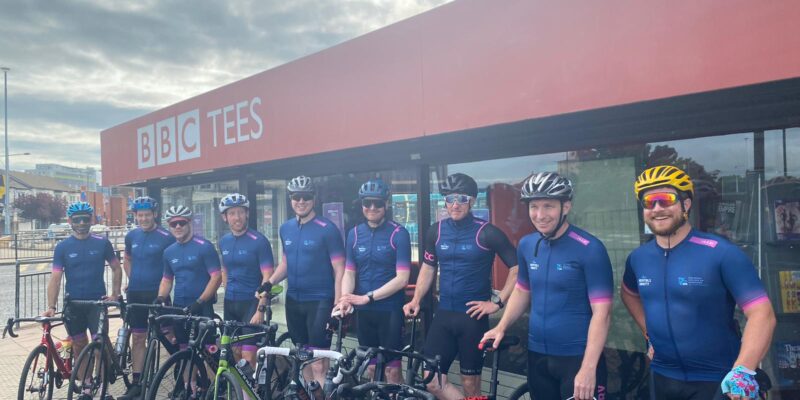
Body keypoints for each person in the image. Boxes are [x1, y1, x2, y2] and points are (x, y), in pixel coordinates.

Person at [621, 165, 776, 399]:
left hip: (719, 380)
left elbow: (762, 314)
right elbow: (628, 294)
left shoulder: (721, 253)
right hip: (662, 377)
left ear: (686, 204)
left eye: (666, 199)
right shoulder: (638, 259)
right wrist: (649, 333)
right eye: (649, 202)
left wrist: (743, 371)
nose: (657, 208)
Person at [481, 172, 613, 400]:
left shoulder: (590, 248)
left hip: (577, 358)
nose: (540, 215)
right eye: (534, 207)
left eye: (548, 206)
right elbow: (523, 290)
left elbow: (602, 314)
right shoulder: (526, 244)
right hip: (538, 356)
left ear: (566, 206)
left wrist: (588, 368)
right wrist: (501, 327)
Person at [403, 173, 518, 399]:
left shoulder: (487, 232)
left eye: (462, 199)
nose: (455, 204)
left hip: (472, 319)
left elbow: (517, 268)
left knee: (470, 384)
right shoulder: (435, 231)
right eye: (450, 198)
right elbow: (428, 267)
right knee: (432, 380)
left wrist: (498, 302)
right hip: (444, 315)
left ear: (472, 201)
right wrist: (416, 299)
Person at [261, 176, 345, 386]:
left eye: (306, 197)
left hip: (320, 301)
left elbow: (340, 270)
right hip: (294, 301)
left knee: (318, 363)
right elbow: (286, 263)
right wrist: (269, 283)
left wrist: (337, 305)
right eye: (296, 197)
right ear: (290, 199)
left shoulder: (328, 229)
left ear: (313, 199)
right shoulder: (286, 228)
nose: (301, 201)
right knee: (302, 358)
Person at [42, 202, 122, 400]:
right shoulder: (62, 247)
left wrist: (115, 293)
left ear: (91, 220)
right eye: (77, 219)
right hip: (74, 304)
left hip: (97, 303)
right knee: (79, 345)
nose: (82, 223)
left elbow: (116, 268)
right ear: (70, 221)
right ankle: (86, 386)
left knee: (99, 344)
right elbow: (55, 278)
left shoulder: (102, 243)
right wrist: (51, 307)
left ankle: (103, 388)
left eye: (86, 219)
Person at [337, 179, 411, 384]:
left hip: (389, 312)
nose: (372, 208)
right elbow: (349, 272)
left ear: (386, 204)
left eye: (377, 203)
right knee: (370, 369)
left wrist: (368, 297)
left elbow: (403, 278)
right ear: (361, 205)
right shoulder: (353, 234)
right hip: (365, 314)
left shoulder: (399, 234)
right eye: (367, 203)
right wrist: (345, 298)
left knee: (392, 373)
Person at [119, 196, 175, 400]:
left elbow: (172, 267)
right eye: (139, 215)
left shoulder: (166, 237)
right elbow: (127, 258)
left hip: (158, 294)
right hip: (135, 293)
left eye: (147, 215)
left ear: (155, 214)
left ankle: (183, 376)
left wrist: (164, 291)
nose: (143, 219)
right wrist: (132, 278)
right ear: (135, 216)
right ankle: (137, 382)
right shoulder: (132, 236)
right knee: (138, 337)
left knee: (169, 335)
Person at [218, 193, 274, 369]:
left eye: (241, 212)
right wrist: (228, 292)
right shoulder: (224, 242)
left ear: (247, 214)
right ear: (225, 217)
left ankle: (251, 394)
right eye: (232, 213)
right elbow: (225, 270)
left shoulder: (259, 241)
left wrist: (261, 308)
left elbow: (268, 276)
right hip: (231, 303)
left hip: (252, 304)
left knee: (248, 356)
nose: (237, 217)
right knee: (234, 353)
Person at [155, 205, 222, 349]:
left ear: (189, 223)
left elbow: (216, 277)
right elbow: (167, 279)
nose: (178, 226)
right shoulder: (169, 252)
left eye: (182, 222)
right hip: (180, 308)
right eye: (173, 224)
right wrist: (160, 298)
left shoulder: (205, 246)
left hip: (202, 307)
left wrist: (200, 301)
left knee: (208, 353)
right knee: (184, 352)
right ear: (169, 226)